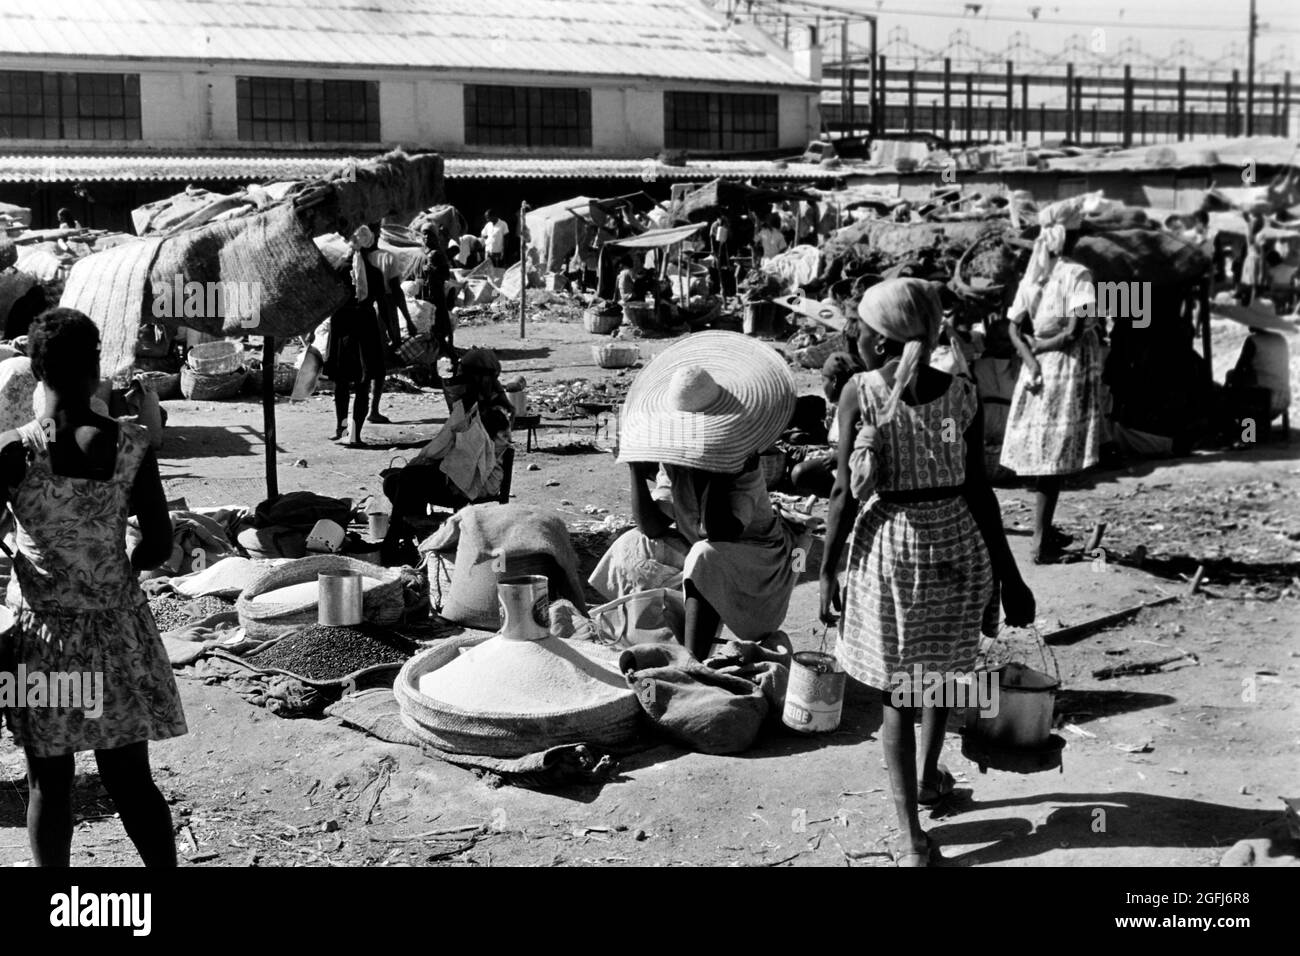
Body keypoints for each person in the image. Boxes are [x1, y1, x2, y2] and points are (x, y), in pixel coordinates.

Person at [818, 280, 1035, 867]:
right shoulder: (960, 393)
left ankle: (913, 839)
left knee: (897, 693)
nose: (854, 336)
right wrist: (1011, 579)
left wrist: (827, 569)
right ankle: (929, 776)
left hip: (890, 549)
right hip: (956, 544)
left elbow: (842, 493)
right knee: (937, 673)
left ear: (878, 338)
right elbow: (980, 492)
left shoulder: (860, 393)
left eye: (859, 327)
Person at [0, 308, 184, 867]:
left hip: (45, 643)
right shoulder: (131, 445)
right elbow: (157, 545)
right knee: (131, 782)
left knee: (49, 786)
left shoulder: (16, 451)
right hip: (119, 635)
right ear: (96, 367)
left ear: (35, 370)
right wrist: (116, 562)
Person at [591, 333, 798, 660]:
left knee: (704, 555)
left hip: (757, 560)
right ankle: (636, 631)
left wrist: (717, 468)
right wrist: (633, 463)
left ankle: (692, 661)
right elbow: (652, 526)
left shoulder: (743, 465)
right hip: (707, 546)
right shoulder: (675, 460)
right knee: (631, 544)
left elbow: (721, 532)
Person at [380, 349, 514, 562]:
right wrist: (423, 463)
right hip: (460, 470)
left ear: (480, 379)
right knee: (393, 482)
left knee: (407, 480)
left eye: (466, 378)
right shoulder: (472, 405)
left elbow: (470, 461)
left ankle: (392, 543)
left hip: (477, 479)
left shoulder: (495, 413)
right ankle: (412, 540)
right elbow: (447, 442)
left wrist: (426, 468)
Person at [351, 224, 414, 425]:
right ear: (375, 236)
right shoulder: (387, 258)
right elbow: (396, 291)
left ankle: (354, 416)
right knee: (380, 362)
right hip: (382, 309)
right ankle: (373, 409)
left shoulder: (353, 260)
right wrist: (407, 320)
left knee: (363, 362)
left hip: (357, 313)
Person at [415, 223, 456, 367]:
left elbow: (445, 275)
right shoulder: (422, 254)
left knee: (437, 333)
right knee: (428, 334)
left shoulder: (437, 254)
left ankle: (452, 360)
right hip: (424, 298)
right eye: (424, 234)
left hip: (436, 298)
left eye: (429, 234)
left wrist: (432, 271)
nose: (426, 237)